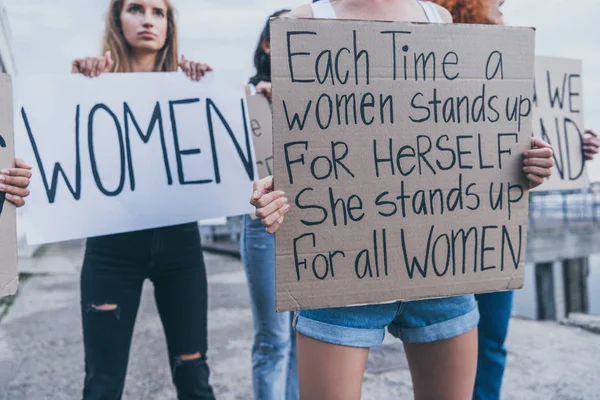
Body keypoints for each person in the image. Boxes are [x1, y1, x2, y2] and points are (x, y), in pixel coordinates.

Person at [250, 1, 555, 399]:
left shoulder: (439, 20)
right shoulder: (301, 23)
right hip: (340, 268)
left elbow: (460, 136)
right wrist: (273, 196)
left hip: (442, 269)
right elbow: (305, 143)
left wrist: (520, 166)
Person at [431, 1, 600, 399]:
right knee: (443, 343)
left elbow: (535, 138)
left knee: (491, 340)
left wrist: (575, 146)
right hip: (444, 228)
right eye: (497, 12)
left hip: (500, 226)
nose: (504, 15)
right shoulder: (433, 71)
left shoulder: (515, 73)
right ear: (464, 13)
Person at [71, 1, 214, 399]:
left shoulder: (194, 86)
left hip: (180, 245)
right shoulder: (86, 84)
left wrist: (209, 88)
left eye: (159, 11)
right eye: (136, 8)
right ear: (118, 19)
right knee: (102, 382)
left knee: (194, 376)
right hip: (111, 248)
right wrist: (76, 84)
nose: (148, 19)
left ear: (169, 25)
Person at [241, 9, 299, 400]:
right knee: (274, 340)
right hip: (264, 225)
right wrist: (265, 103)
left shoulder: (323, 95)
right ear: (266, 45)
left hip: (311, 222)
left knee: (303, 339)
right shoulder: (248, 97)